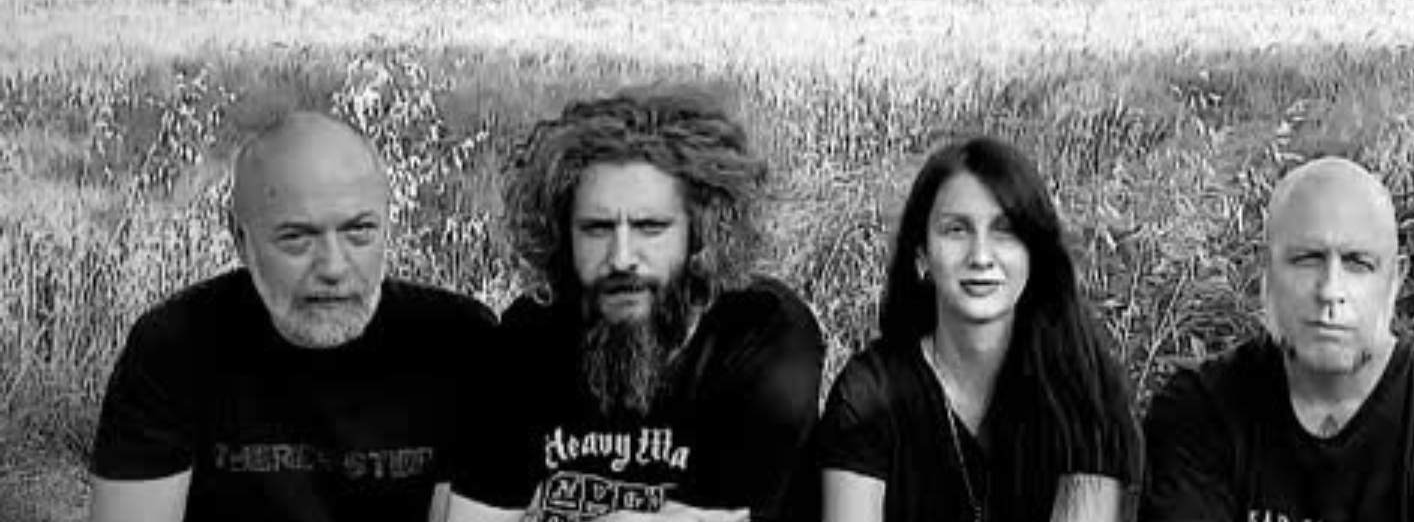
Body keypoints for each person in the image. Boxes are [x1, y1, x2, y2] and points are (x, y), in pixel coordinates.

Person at [87, 110, 496, 522]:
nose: (333, 267)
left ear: (388, 227)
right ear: (241, 239)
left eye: (359, 231)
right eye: (297, 238)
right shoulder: (174, 347)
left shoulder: (460, 342)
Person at [447, 85, 824, 522]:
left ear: (701, 234)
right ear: (563, 236)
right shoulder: (528, 336)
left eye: (650, 227)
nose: (621, 257)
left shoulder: (765, 338)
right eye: (597, 228)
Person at [1139, 156, 1414, 522]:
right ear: (1267, 274)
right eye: (1307, 259)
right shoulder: (1201, 412)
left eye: (1358, 263)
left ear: (1394, 281)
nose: (1330, 290)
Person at [814, 135, 1140, 522]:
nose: (981, 256)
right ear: (922, 255)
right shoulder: (868, 394)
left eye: (1005, 230)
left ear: (1034, 254)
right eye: (956, 230)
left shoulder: (1084, 391)